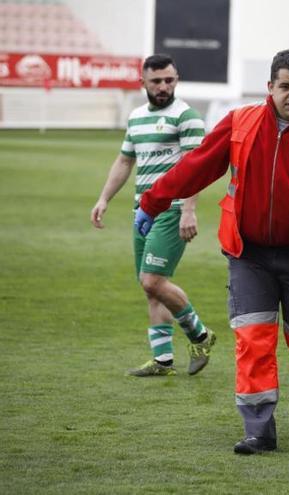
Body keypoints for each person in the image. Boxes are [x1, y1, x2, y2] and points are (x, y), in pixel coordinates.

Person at [135, 49, 289, 454]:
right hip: (249, 256)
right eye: (285, 87)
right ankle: (259, 430)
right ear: (270, 87)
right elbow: (197, 166)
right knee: (253, 340)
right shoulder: (240, 123)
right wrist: (153, 201)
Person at [90, 54, 216, 377]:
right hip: (142, 211)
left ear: (177, 79)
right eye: (156, 81)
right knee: (149, 287)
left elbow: (195, 168)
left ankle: (200, 335)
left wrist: (189, 210)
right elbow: (124, 161)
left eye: (169, 80)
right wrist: (104, 198)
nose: (163, 87)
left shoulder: (187, 116)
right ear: (143, 82)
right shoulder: (136, 117)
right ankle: (163, 361)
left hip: (171, 211)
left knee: (153, 280)